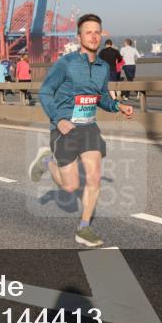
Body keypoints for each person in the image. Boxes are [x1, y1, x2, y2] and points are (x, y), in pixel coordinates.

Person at [29, 14, 135, 247]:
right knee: (70, 186)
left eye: (97, 32)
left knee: (94, 177)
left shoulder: (102, 67)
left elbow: (102, 98)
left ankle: (84, 228)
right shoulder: (65, 64)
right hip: (65, 128)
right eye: (88, 32)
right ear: (79, 37)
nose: (94, 36)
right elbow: (45, 93)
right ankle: (47, 161)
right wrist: (58, 119)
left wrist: (118, 106)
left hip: (88, 128)